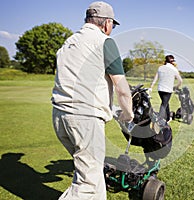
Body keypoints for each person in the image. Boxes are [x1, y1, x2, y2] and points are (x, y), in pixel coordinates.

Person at [51, 1, 134, 199]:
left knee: (94, 175)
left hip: (59, 117)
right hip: (85, 119)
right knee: (87, 182)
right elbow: (122, 88)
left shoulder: (69, 42)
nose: (111, 29)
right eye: (112, 25)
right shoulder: (105, 42)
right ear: (107, 23)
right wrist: (128, 114)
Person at [150, 55, 182, 122]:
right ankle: (159, 119)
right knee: (164, 104)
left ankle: (168, 118)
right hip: (168, 90)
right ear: (172, 62)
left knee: (165, 102)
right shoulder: (174, 69)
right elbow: (180, 81)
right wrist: (176, 87)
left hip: (160, 89)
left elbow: (155, 79)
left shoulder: (160, 68)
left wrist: (151, 87)